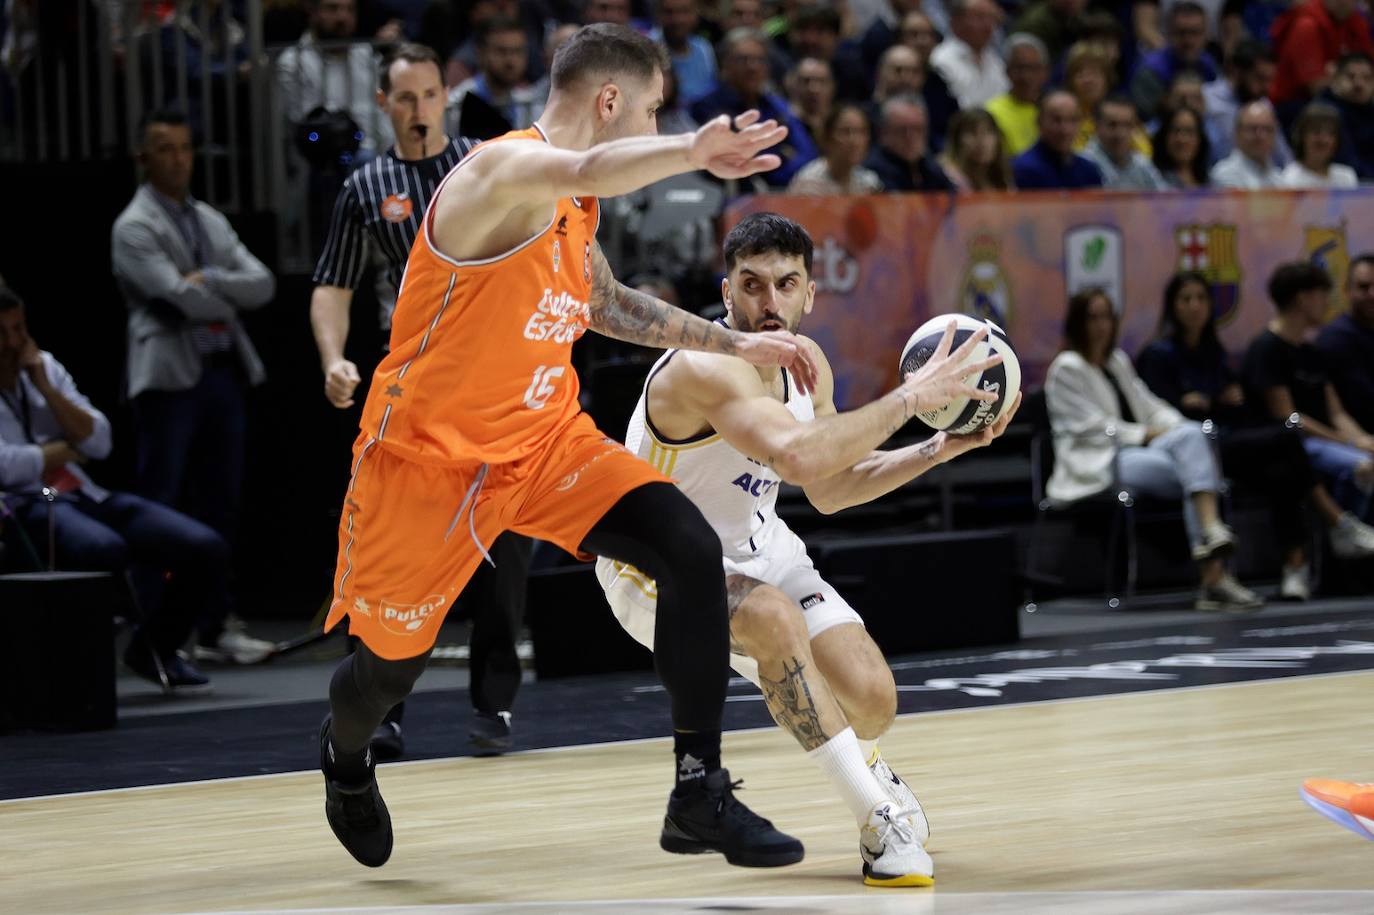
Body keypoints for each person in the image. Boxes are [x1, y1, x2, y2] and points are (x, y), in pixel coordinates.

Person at [317, 23, 824, 871]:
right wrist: (694, 150)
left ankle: (697, 788)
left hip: (544, 441)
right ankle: (344, 756)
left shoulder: (572, 207)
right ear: (612, 102)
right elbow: (589, 167)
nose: (659, 124)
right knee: (386, 672)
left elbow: (607, 303)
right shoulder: (497, 171)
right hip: (428, 463)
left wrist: (733, 344)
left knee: (689, 546)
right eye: (654, 110)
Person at [597, 212, 1015, 886]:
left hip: (765, 546)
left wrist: (939, 446)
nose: (768, 303)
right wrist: (911, 398)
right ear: (725, 292)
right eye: (751, 285)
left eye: (785, 285)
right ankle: (878, 820)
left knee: (874, 697)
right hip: (654, 567)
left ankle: (865, 758)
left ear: (809, 294)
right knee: (774, 623)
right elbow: (794, 456)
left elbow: (829, 486)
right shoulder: (706, 367)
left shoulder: (807, 363)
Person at [309, 43, 530, 759]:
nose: (418, 110)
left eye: (429, 95)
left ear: (445, 97)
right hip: (409, 393)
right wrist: (334, 357)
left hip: (495, 385)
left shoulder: (484, 164)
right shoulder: (366, 187)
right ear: (384, 104)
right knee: (388, 551)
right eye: (404, 98)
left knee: (501, 551)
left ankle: (493, 706)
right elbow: (333, 286)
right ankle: (380, 707)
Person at [110, 108, 277, 666]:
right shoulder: (133, 226)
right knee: (161, 506)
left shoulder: (207, 218)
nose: (178, 158)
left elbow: (263, 284)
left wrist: (210, 283)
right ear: (143, 157)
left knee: (221, 505)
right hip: (167, 381)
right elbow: (174, 297)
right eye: (165, 149)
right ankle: (154, 633)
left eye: (184, 148)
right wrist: (212, 295)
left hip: (220, 374)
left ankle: (214, 625)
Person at [0, 287, 228, 692]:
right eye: (3, 334)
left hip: (87, 494)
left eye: (19, 329)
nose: (14, 343)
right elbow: (7, 468)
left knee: (203, 545)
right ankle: (82, 673)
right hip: (24, 506)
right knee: (102, 548)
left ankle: (153, 648)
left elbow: (100, 441)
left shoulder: (43, 368)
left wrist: (47, 393)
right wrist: (59, 451)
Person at [1137, 272, 1374, 600]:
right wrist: (1200, 401)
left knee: (1284, 471)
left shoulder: (1214, 352)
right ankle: (1337, 524)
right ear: (1172, 307)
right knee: (1289, 436)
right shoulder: (1159, 354)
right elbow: (1157, 411)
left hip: (1231, 437)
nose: (1195, 306)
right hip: (1196, 446)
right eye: (1186, 299)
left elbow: (1235, 403)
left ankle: (1297, 567)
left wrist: (1220, 400)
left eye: (1201, 298)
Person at [1045, 288, 1262, 612]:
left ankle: (1212, 545)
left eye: (1106, 316)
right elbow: (1091, 427)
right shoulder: (1067, 367)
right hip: (1098, 460)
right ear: (1078, 322)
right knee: (1198, 475)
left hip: (1138, 452)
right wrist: (1147, 433)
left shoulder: (1116, 361)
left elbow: (1150, 405)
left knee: (1191, 439)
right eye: (1092, 317)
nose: (1101, 325)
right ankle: (1214, 572)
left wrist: (1173, 425)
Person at [1243, 262, 1374, 525]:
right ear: (1303, 298)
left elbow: (1336, 412)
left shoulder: (1311, 351)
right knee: (1362, 466)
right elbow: (1289, 417)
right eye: (1323, 295)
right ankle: (1345, 537)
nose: (1328, 303)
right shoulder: (1266, 348)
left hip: (1325, 440)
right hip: (1290, 447)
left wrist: (1363, 438)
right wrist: (1346, 443)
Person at [1317, 255, 1374, 433]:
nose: (1372, 294)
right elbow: (1363, 402)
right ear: (1347, 290)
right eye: (1363, 287)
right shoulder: (1336, 338)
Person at [1010, 89, 1103, 189]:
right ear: (1039, 121)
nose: (1065, 130)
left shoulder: (1088, 170)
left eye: (1073, 120)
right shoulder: (1021, 170)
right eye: (1056, 120)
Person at [862, 95, 955, 191]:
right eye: (902, 130)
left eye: (918, 129)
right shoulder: (871, 173)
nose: (910, 137)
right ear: (883, 133)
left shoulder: (931, 168)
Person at [788, 103, 885, 194]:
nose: (854, 141)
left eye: (861, 131)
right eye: (845, 131)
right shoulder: (809, 182)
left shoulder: (870, 183)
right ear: (827, 136)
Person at [929, 0, 1008, 109]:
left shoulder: (997, 62)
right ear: (956, 21)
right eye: (980, 17)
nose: (988, 25)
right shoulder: (941, 59)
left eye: (991, 18)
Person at [1081, 94, 1168, 189]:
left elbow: (1166, 198)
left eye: (1127, 125)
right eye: (1112, 125)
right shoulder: (1084, 164)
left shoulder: (1141, 162)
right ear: (1097, 126)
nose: (1120, 133)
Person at [984, 32, 1050, 157]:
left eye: (1033, 68)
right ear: (1007, 71)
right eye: (1019, 68)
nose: (1026, 76)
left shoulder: (1056, 109)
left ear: (1045, 71)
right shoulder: (992, 112)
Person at [1280, 101, 1359, 188]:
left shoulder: (1347, 177)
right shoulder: (1289, 179)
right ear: (1302, 136)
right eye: (1316, 132)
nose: (1324, 140)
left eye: (1331, 133)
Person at [1209, 99, 1283, 188]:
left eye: (1267, 129)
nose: (1260, 135)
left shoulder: (1279, 178)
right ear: (1237, 133)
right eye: (1252, 129)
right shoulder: (1224, 174)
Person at [939, 107, 1013, 190]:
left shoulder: (1003, 175)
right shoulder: (946, 178)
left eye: (988, 132)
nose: (982, 142)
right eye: (972, 132)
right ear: (957, 139)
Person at [1151, 103, 1210, 188]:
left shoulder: (1211, 181)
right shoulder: (1151, 177)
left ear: (1200, 139)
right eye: (1176, 130)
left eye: (1189, 131)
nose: (1182, 139)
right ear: (1164, 136)